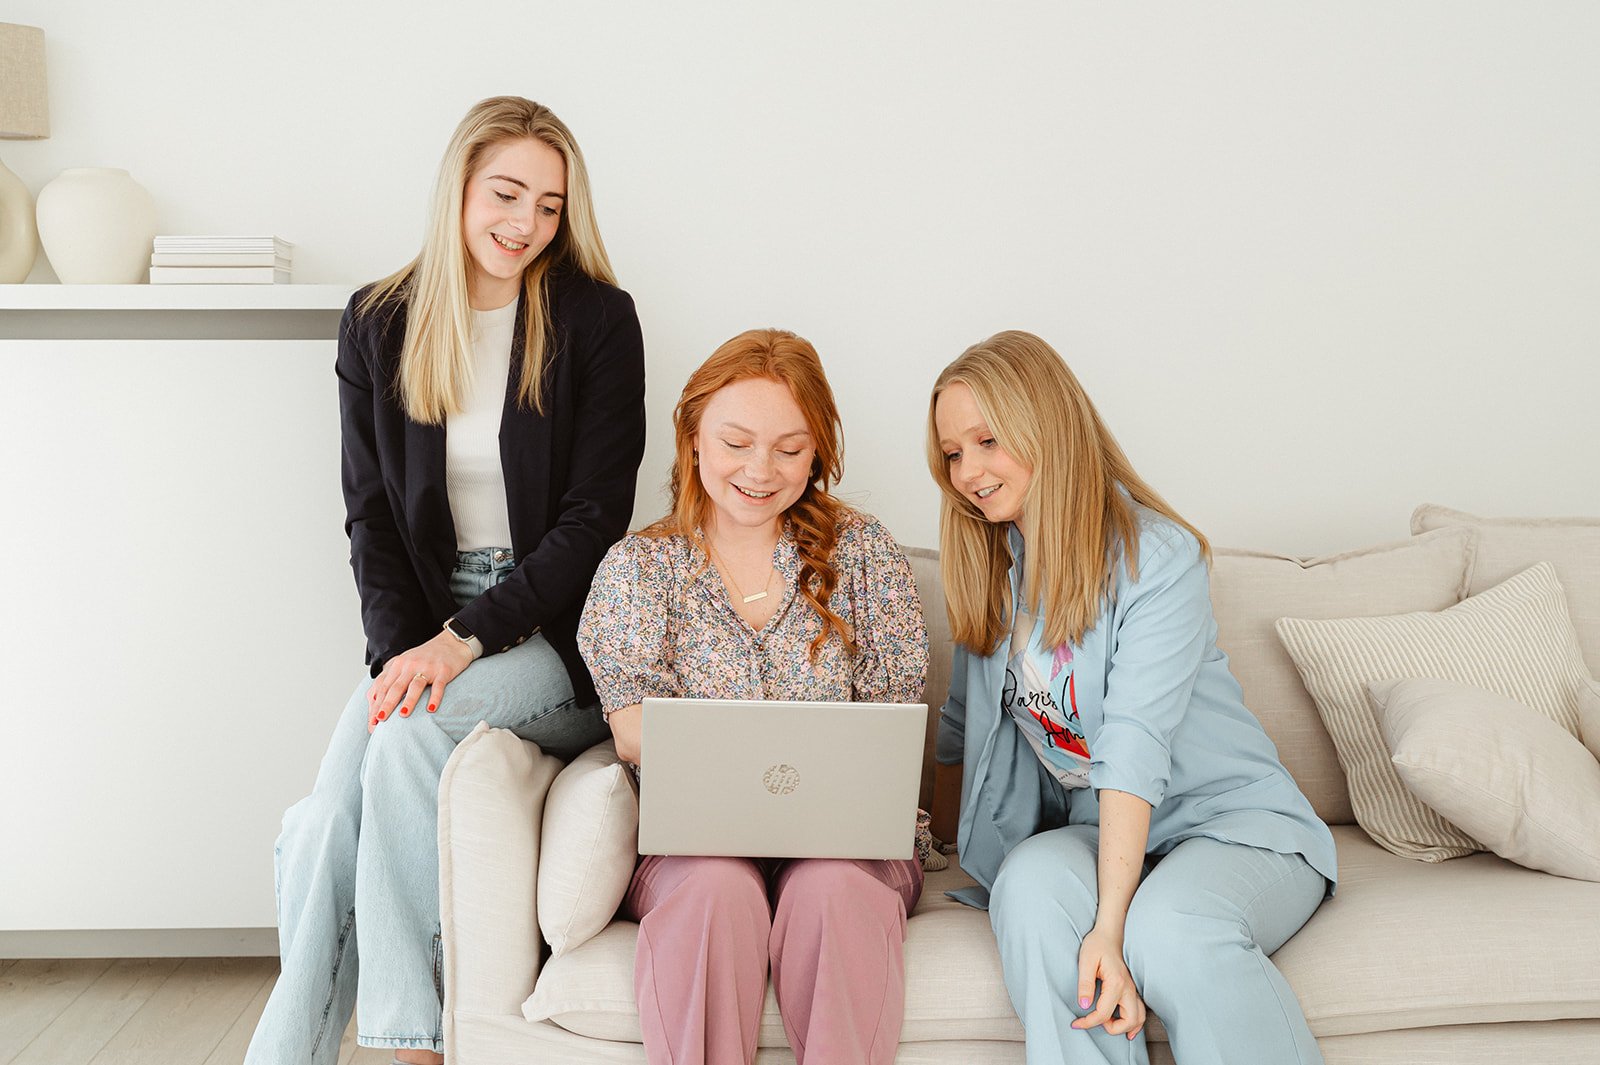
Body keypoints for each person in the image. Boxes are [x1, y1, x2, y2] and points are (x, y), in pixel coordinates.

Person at [246, 96, 645, 1065]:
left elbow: (594, 526)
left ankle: (406, 1042)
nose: (526, 224)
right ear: (457, 189)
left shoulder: (596, 319)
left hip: (552, 636)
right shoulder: (379, 322)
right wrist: (403, 657)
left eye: (550, 206)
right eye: (506, 194)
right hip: (427, 630)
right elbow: (371, 521)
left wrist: (460, 644)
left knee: (413, 728)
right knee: (325, 816)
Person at [927, 331, 1337, 1065]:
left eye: (988, 440)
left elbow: (1134, 746)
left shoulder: (1158, 557)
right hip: (1108, 835)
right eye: (954, 452)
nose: (969, 471)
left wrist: (1109, 925)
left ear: (1044, 424)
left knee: (1169, 929)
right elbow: (960, 729)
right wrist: (907, 829)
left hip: (1234, 827)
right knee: (1026, 884)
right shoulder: (994, 569)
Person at [577, 328, 929, 1065]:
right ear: (693, 436)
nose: (760, 470)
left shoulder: (863, 553)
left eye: (790, 448)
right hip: (694, 846)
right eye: (736, 442)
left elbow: (896, 724)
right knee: (713, 890)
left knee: (831, 888)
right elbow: (633, 729)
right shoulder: (640, 569)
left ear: (818, 451)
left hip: (851, 844)